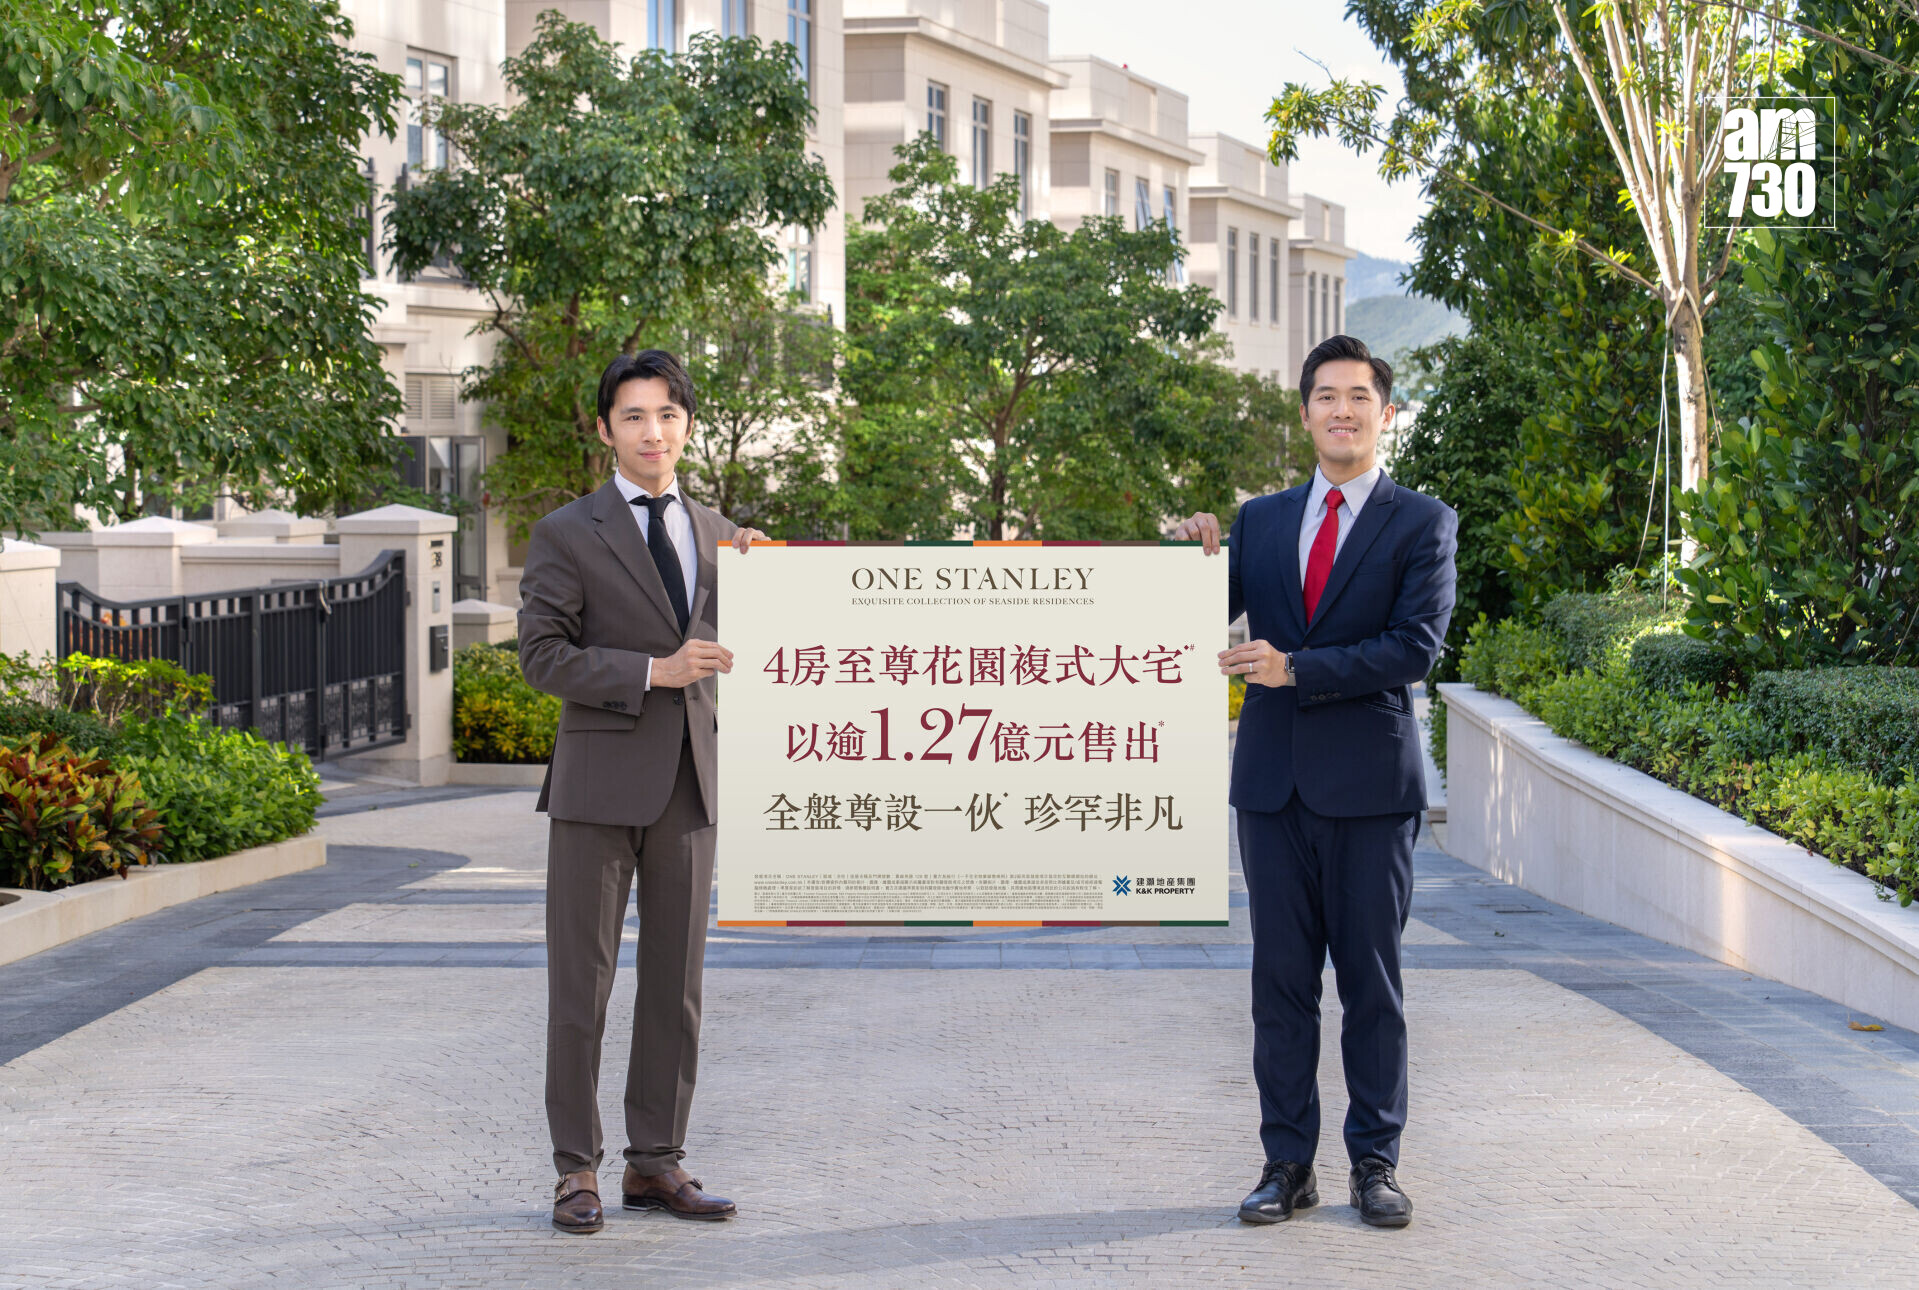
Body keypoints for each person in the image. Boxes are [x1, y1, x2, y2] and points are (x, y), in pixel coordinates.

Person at [1174, 334, 1457, 1229]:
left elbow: (1414, 647)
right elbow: (1190, 623)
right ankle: (1284, 1165)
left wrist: (1295, 668)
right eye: (1325, 396)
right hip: (1269, 789)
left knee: (1371, 986)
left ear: (1384, 413)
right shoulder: (1258, 521)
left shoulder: (1421, 521)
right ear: (1303, 414)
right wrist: (1190, 558)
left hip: (1371, 789)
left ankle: (1375, 1164)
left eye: (1358, 397)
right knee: (1279, 988)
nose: (1342, 410)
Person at [517, 349, 767, 1234]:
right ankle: (575, 1170)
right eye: (633, 415)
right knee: (580, 985)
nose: (652, 430)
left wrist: (779, 583)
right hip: (595, 790)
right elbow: (541, 656)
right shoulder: (564, 532)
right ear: (604, 429)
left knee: (676, 985)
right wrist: (654, 671)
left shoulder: (722, 535)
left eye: (666, 413)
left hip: (690, 786)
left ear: (686, 424)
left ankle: (655, 1164)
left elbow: (775, 643)